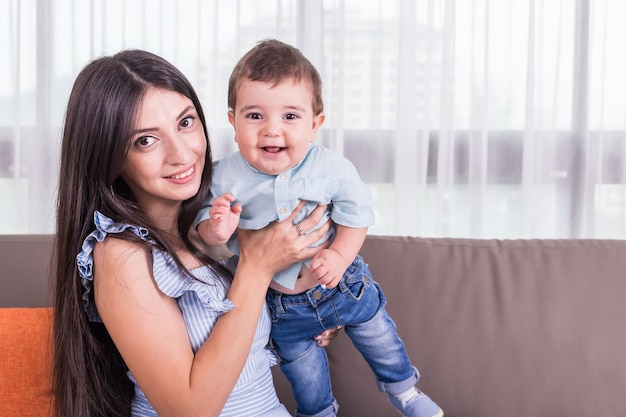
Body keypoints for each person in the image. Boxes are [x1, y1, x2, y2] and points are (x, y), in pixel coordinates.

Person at [52, 49, 339, 417]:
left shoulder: (215, 225)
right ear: (108, 157)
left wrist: (310, 317)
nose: (181, 154)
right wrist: (256, 268)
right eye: (145, 140)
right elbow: (189, 409)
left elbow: (247, 332)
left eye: (185, 123)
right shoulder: (119, 254)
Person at [195, 39, 444, 417]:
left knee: (379, 336)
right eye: (255, 116)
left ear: (315, 124)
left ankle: (405, 391)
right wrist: (215, 228)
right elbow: (202, 225)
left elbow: (356, 216)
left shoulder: (333, 168)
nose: (272, 131)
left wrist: (340, 256)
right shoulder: (225, 175)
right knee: (305, 376)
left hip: (340, 283)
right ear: (233, 122)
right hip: (280, 306)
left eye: (290, 117)